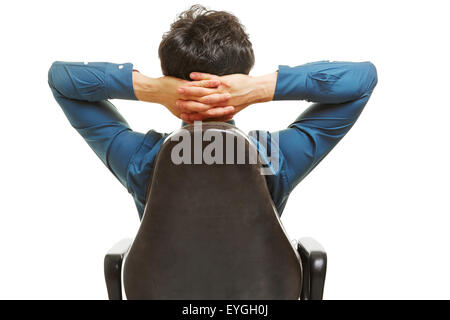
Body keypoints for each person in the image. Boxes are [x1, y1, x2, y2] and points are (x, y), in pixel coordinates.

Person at [47, 5, 378, 220]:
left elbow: (62, 80)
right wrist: (264, 87)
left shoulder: (140, 158)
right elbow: (362, 80)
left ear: (170, 78)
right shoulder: (275, 158)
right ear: (241, 78)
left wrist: (150, 89)